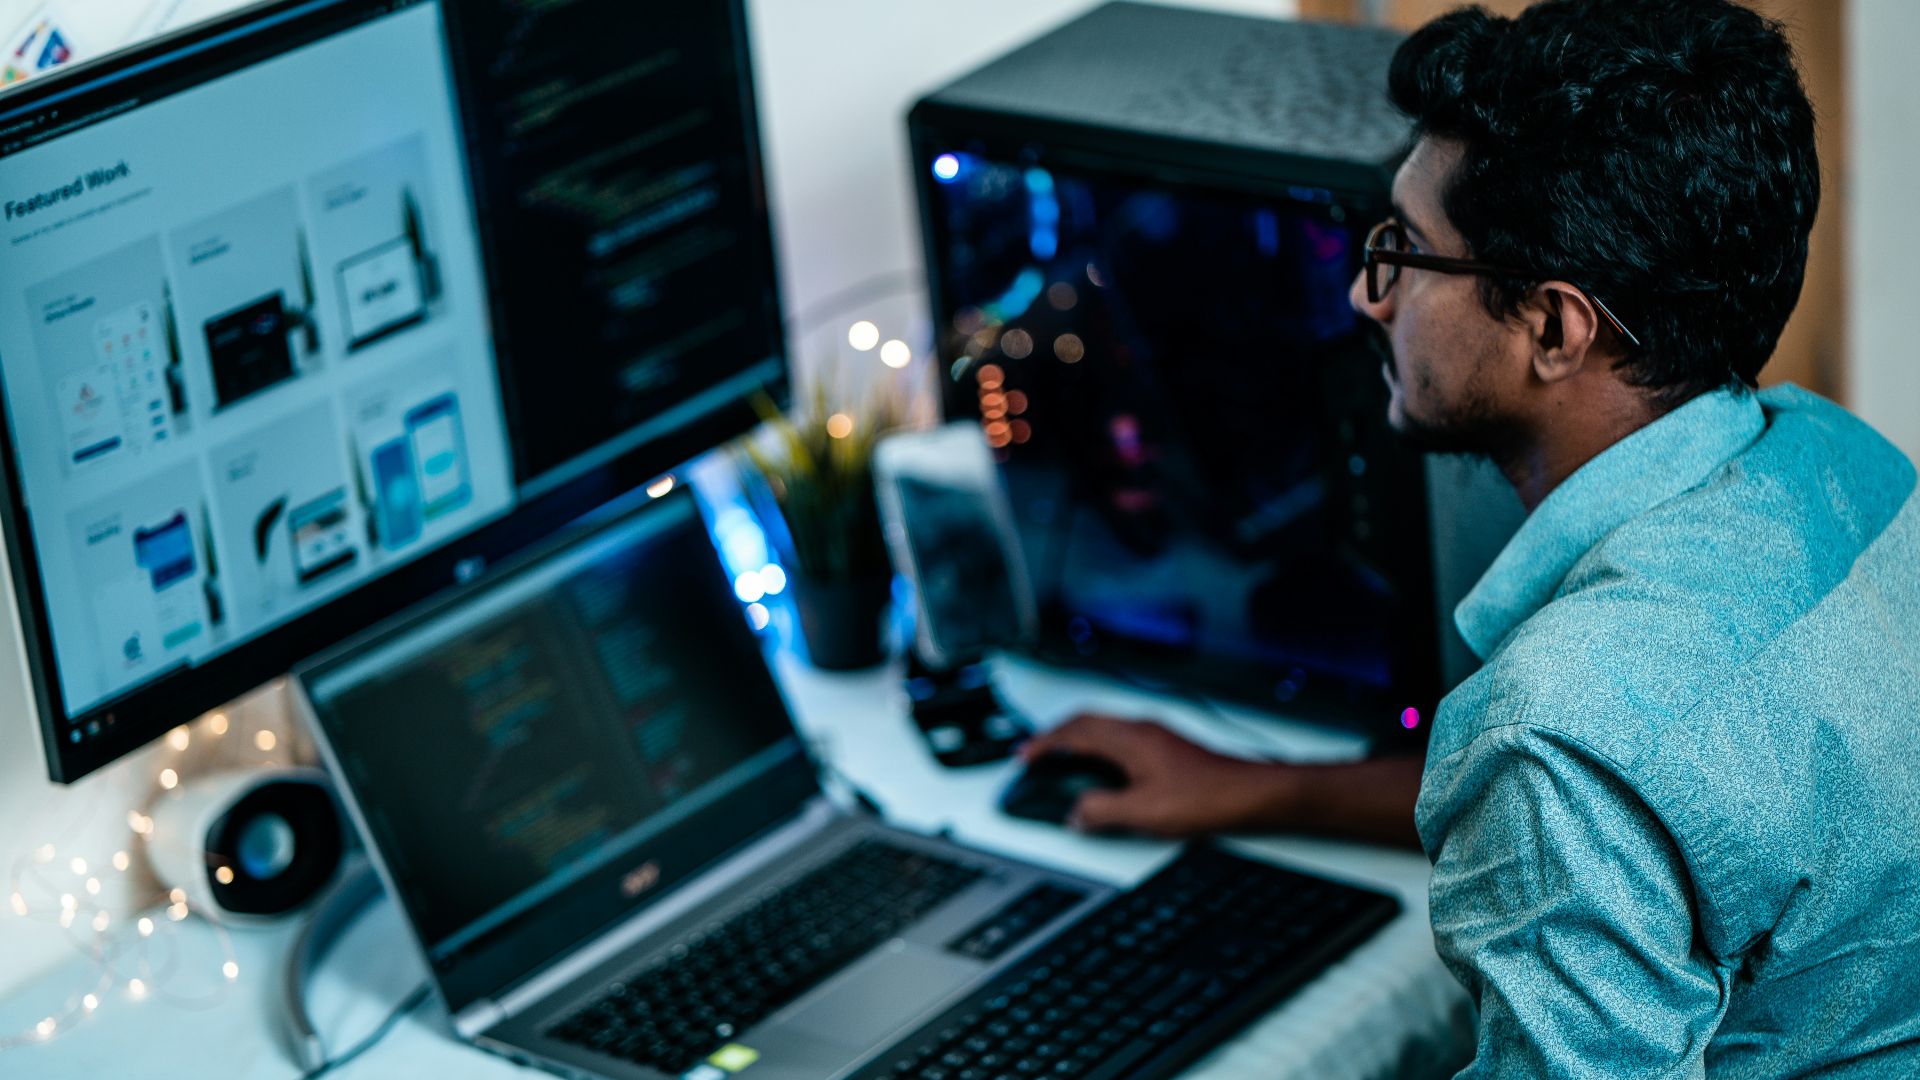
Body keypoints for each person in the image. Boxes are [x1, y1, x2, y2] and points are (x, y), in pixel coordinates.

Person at [1021, 0, 1920, 1074]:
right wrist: (1255, 785)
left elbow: (1581, 770)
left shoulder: (1557, 735)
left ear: (1552, 326)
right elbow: (1661, 804)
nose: (1365, 294)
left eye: (1403, 249)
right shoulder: (1837, 461)